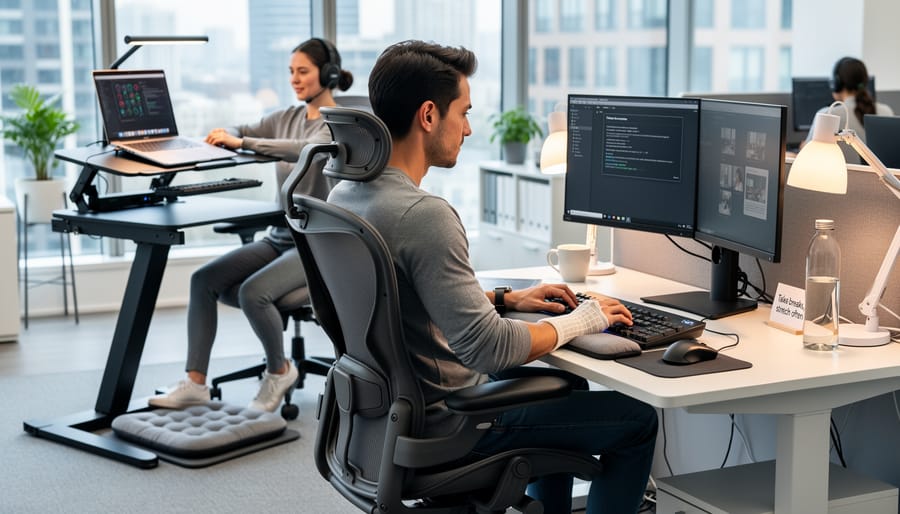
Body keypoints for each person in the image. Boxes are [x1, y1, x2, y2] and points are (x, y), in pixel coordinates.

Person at [328, 40, 658, 514]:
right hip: (451, 421)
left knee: (572, 390)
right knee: (637, 420)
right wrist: (583, 320)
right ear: (427, 115)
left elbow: (393, 299)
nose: (467, 127)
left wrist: (506, 299)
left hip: (383, 415)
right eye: (462, 112)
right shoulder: (423, 214)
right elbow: (487, 348)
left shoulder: (347, 195)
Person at [149, 38, 354, 412]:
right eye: (291, 71)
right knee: (204, 281)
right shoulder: (285, 118)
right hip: (281, 236)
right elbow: (240, 128)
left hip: (316, 245)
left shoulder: (336, 124)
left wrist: (243, 141)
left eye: (303, 71)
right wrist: (222, 136)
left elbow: (303, 149)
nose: (295, 79)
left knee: (252, 293)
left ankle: (280, 371)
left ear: (328, 75)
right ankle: (195, 383)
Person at [804, 56, 894, 163]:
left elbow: (808, 157)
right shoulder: (887, 111)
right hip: (880, 179)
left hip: (842, 178)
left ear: (836, 83)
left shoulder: (829, 115)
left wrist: (801, 148)